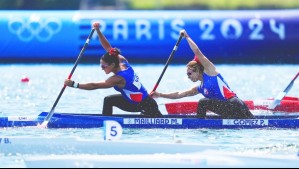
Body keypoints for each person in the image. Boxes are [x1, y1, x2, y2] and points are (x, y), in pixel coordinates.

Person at [64, 22, 162, 117]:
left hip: (146, 105)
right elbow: (108, 48)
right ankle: (106, 121)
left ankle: (105, 122)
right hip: (136, 101)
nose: (102, 69)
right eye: (100, 65)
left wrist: (74, 84)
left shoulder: (118, 78)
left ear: (112, 65)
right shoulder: (121, 60)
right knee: (108, 100)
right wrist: (98, 30)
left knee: (109, 100)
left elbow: (94, 85)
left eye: (103, 66)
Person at [151, 29, 254, 119]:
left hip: (235, 105)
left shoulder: (210, 71)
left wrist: (186, 37)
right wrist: (159, 94)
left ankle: (199, 124)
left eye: (189, 73)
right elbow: (180, 94)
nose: (188, 77)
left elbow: (197, 51)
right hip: (228, 110)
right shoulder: (200, 87)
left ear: (197, 70)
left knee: (202, 102)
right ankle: (202, 122)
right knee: (204, 102)